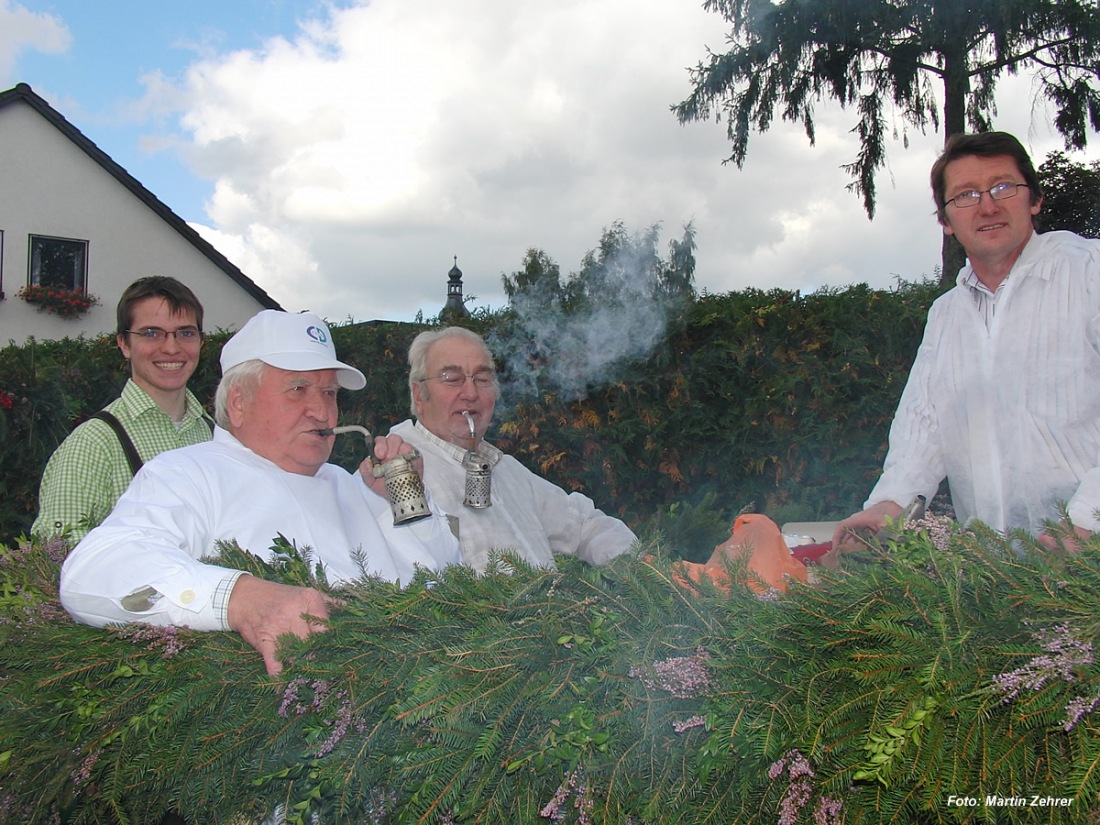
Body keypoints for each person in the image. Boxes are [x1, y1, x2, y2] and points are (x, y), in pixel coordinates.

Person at [59, 310, 461, 676]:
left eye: (329, 393)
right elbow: (92, 573)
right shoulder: (187, 473)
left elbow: (446, 582)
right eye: (298, 388)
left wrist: (406, 499)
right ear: (238, 403)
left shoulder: (350, 485)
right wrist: (241, 598)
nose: (322, 411)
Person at [833, 131, 1100, 555]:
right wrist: (887, 507)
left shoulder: (1089, 273)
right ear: (945, 221)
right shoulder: (946, 314)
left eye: (1003, 187)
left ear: (1034, 199)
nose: (988, 206)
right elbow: (924, 428)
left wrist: (1084, 522)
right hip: (996, 576)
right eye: (966, 195)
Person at [390, 327, 638, 573]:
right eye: (452, 379)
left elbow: (584, 524)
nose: (471, 393)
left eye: (482, 378)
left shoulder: (506, 470)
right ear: (419, 395)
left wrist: (639, 566)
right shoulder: (396, 468)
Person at [33, 276, 212, 542]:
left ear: (200, 341)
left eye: (185, 333)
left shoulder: (213, 434)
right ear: (124, 344)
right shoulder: (93, 444)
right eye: (152, 333)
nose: (172, 348)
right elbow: (57, 553)